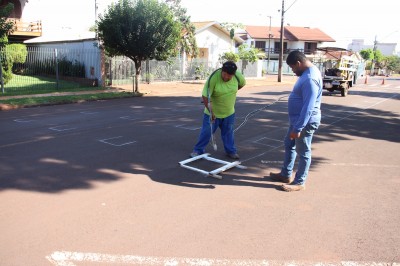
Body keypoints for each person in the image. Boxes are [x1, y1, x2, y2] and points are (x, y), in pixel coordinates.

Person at [269, 50, 322, 192]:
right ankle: (285, 174)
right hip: (297, 120)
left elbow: (308, 107)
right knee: (289, 144)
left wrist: (298, 128)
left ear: (299, 63)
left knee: (303, 152)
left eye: (293, 67)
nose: (293, 71)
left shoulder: (310, 78)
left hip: (304, 122)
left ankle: (299, 182)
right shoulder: (308, 73)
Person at [190, 61, 246, 159]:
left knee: (228, 133)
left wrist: (231, 92)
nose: (226, 77)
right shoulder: (214, 78)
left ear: (233, 74)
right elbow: (205, 96)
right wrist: (211, 112)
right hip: (212, 113)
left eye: (229, 76)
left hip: (229, 112)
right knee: (206, 132)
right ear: (222, 71)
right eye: (224, 74)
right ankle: (198, 150)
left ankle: (231, 151)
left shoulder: (238, 76)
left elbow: (241, 84)